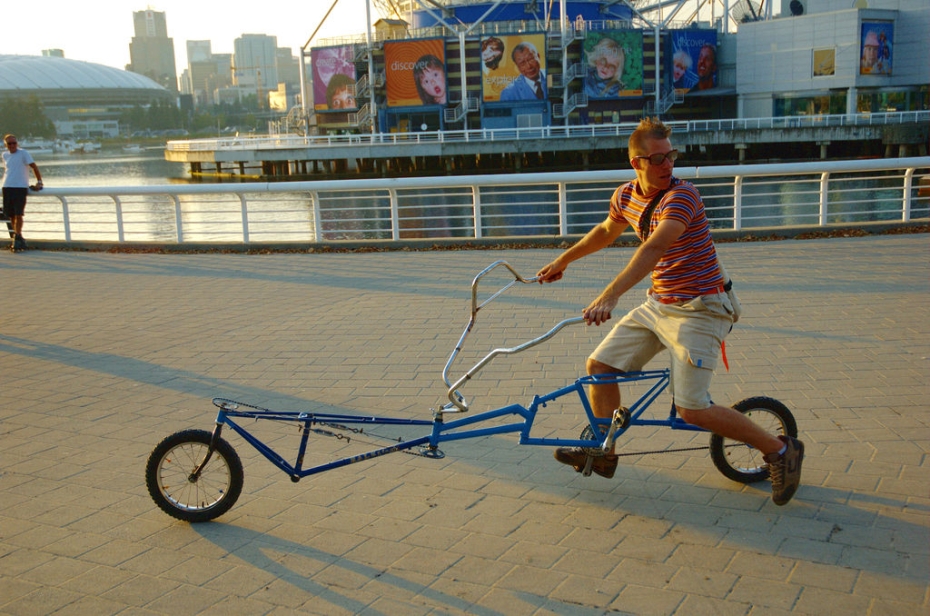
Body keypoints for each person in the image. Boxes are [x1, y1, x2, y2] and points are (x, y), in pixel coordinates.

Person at [536, 117, 804, 506]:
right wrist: (563, 260)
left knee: (691, 410)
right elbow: (606, 231)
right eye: (658, 159)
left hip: (702, 309)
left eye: (671, 156)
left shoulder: (683, 196)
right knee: (599, 368)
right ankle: (604, 450)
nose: (667, 166)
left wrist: (609, 297)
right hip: (659, 304)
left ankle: (781, 451)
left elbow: (653, 248)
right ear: (637, 163)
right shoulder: (627, 195)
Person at [2, 134, 43, 252]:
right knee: (11, 214)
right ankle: (18, 237)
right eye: (9, 144)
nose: (12, 145)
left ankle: (17, 237)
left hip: (20, 187)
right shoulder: (4, 155)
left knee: (19, 214)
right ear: (6, 145)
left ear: (17, 143)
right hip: (7, 186)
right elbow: (9, 170)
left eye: (14, 143)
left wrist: (39, 182)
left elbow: (34, 167)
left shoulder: (23, 153)